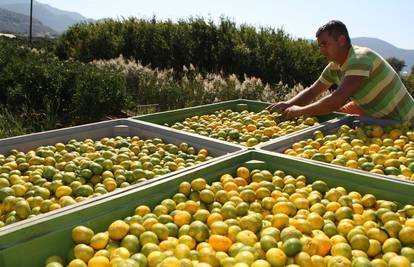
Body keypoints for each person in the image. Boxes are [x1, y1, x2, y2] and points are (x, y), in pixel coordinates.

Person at [267, 20, 414, 122]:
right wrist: (287, 105)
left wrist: (299, 111)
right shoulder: (334, 67)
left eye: (325, 44)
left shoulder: (360, 58)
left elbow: (337, 99)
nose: (321, 50)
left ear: (342, 40)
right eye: (319, 46)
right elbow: (312, 91)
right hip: (377, 116)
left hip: (406, 120)